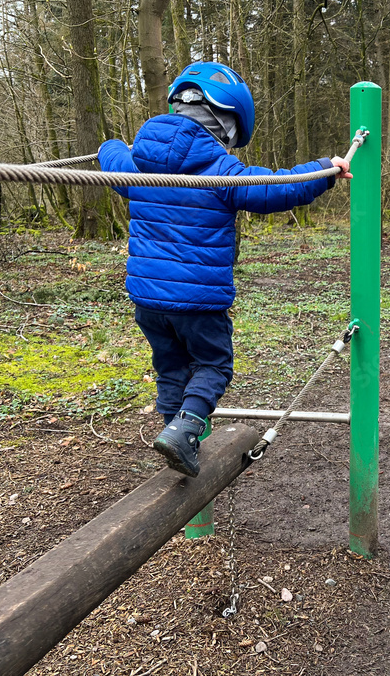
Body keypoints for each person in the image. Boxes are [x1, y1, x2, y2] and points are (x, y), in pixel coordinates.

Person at [98, 61, 351, 478]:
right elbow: (279, 188)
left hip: (147, 300)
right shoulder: (219, 172)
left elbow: (111, 158)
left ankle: (172, 432)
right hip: (198, 301)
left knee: (171, 368)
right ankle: (185, 430)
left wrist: (110, 143)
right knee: (214, 365)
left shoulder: (134, 165)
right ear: (227, 126)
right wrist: (326, 170)